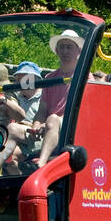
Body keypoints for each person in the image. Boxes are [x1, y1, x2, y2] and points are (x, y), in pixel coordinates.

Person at [33, 29, 83, 168]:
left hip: (71, 129)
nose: (65, 51)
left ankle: (41, 165)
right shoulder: (49, 78)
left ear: (78, 52)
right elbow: (42, 110)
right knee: (12, 129)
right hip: (48, 128)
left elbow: (80, 112)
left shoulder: (85, 78)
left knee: (53, 119)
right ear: (57, 50)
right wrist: (36, 126)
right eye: (62, 46)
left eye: (69, 47)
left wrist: (48, 123)